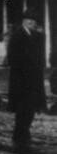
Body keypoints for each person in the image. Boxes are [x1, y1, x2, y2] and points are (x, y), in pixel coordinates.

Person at [7, 8, 46, 145]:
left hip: (34, 79)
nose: (31, 23)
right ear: (23, 21)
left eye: (33, 21)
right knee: (22, 108)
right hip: (21, 79)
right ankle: (19, 133)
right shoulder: (17, 35)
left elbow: (40, 56)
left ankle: (25, 131)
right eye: (29, 20)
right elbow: (12, 57)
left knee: (31, 107)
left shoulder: (37, 36)